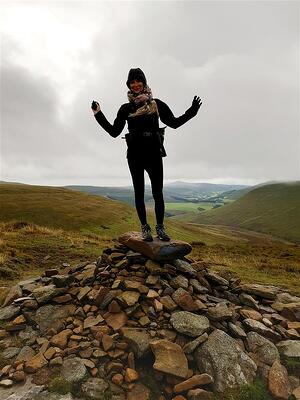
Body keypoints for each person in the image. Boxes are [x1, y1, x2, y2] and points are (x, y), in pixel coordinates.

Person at [91, 67, 202, 242]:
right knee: (139, 193)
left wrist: (192, 112)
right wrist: (98, 114)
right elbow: (114, 131)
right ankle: (145, 228)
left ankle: (160, 228)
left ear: (144, 83)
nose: (135, 85)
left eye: (138, 81)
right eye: (132, 82)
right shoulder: (126, 108)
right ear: (129, 85)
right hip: (135, 155)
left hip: (154, 153)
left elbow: (173, 123)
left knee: (158, 193)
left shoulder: (156, 104)